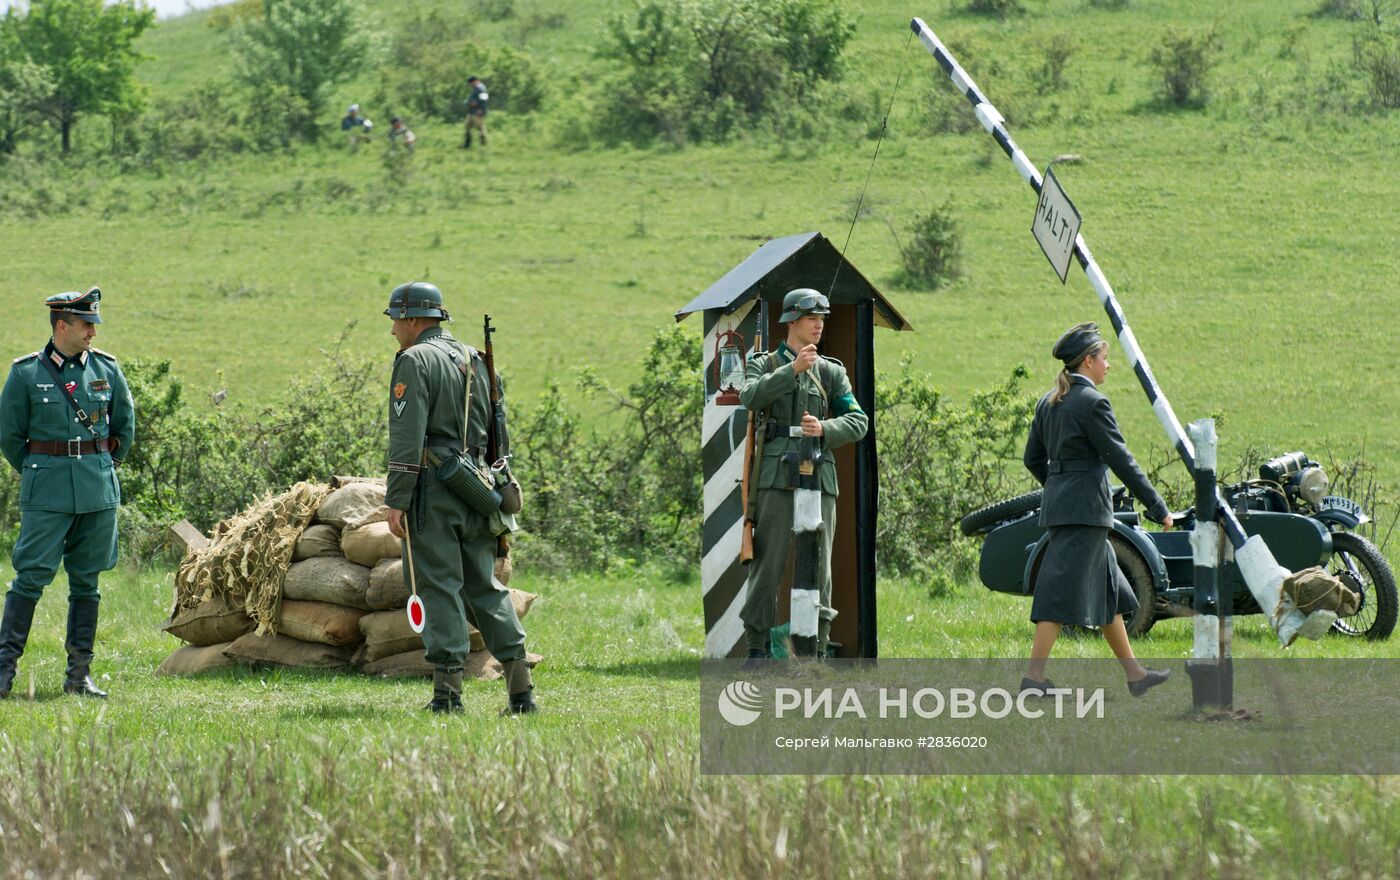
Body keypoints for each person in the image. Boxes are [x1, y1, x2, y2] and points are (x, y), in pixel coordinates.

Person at [381, 281, 536, 715]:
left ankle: (447, 698)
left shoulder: (414, 360)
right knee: (486, 589)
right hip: (479, 489)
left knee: (437, 587)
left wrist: (398, 498)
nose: (394, 330)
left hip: (434, 490)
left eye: (396, 320)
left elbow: (407, 435)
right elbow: (497, 436)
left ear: (412, 319)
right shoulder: (478, 360)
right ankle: (521, 694)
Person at [1020, 321, 1172, 698]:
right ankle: (1033, 681)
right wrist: (1157, 506)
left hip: (1069, 510)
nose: (1109, 365)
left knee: (1110, 595)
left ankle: (1135, 675)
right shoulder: (1092, 403)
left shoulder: (1048, 401)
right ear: (1088, 361)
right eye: (1105, 358)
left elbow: (1032, 459)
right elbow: (1120, 458)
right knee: (1056, 597)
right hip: (1085, 513)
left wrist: (1061, 487)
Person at [0, 288, 135, 700]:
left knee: (87, 581)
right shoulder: (26, 373)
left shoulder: (108, 370)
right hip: (48, 491)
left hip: (97, 490)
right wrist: (43, 471)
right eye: (85, 324)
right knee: (31, 577)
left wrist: (98, 466)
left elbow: (124, 429)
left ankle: (79, 676)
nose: (92, 332)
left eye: (93, 324)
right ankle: (4, 673)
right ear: (62, 326)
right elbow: (9, 437)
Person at [739, 288, 868, 660]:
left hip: (819, 474)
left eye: (823, 319)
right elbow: (750, 397)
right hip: (776, 476)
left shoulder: (831, 371)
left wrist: (826, 429)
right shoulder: (764, 364)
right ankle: (757, 648)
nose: (819, 325)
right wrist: (791, 371)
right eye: (812, 318)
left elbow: (858, 421)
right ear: (791, 321)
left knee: (820, 567)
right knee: (769, 562)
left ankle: (816, 647)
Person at [463, 76, 488, 149]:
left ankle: (483, 144)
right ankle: (467, 144)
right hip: (472, 111)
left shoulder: (481, 88)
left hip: (477, 112)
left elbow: (484, 100)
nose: (470, 85)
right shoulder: (475, 88)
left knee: (480, 128)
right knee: (467, 127)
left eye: (471, 83)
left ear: (475, 81)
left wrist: (481, 109)